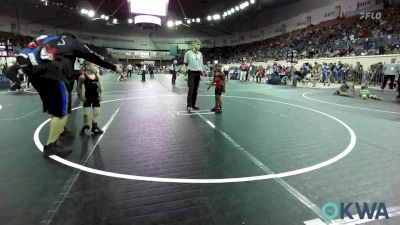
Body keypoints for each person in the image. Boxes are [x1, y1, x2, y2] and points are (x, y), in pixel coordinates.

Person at [12, 33, 122, 158]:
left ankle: (59, 132)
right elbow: (92, 56)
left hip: (34, 74)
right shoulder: (72, 42)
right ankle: (51, 146)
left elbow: (29, 49)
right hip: (54, 73)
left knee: (55, 107)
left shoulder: (47, 38)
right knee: (61, 111)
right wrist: (113, 67)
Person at [77, 61, 104, 135]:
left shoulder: (97, 76)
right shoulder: (82, 77)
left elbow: (101, 86)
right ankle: (85, 125)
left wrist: (101, 94)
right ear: (88, 66)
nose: (96, 67)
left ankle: (95, 127)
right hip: (87, 98)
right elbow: (79, 87)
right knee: (86, 114)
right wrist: (81, 96)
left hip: (96, 98)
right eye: (94, 65)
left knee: (96, 113)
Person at [184, 39, 203, 113]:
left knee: (195, 90)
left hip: (198, 73)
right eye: (198, 44)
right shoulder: (188, 53)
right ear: (193, 45)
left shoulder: (200, 54)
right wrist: (185, 74)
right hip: (191, 73)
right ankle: (189, 105)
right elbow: (185, 64)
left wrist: (201, 74)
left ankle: (193, 104)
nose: (199, 46)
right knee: (191, 89)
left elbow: (201, 64)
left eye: (200, 44)